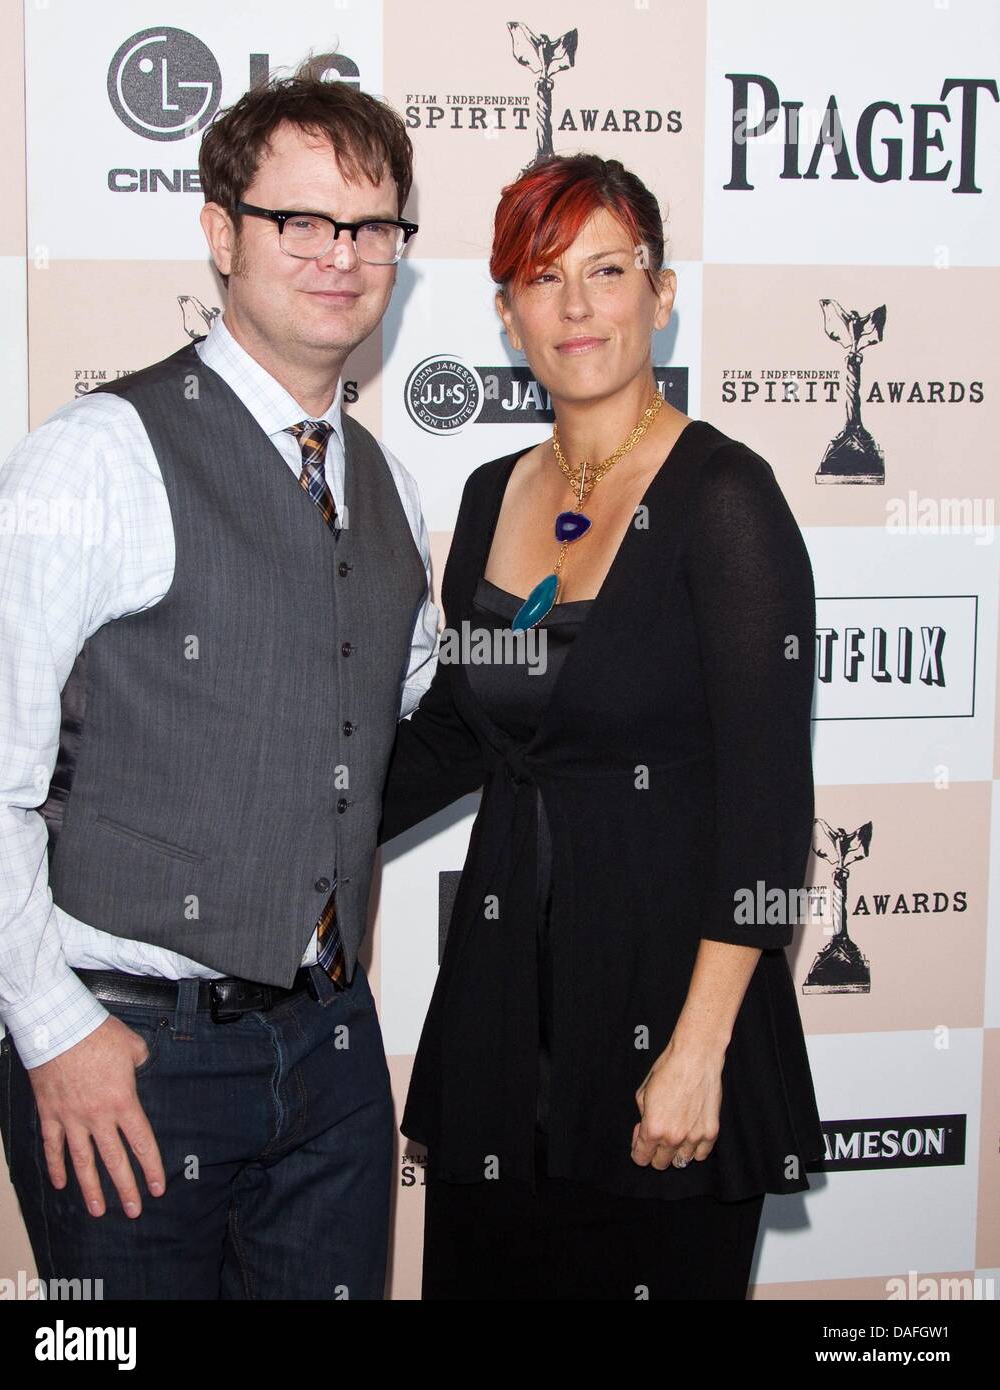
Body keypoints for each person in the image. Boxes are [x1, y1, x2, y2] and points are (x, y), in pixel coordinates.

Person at [0, 56, 438, 1299]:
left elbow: (390, 722)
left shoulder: (389, 485)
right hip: (130, 1054)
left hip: (335, 1052)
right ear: (219, 234)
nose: (340, 253)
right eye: (299, 220)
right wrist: (53, 1027)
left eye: (372, 225)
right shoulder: (93, 458)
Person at [377, 153, 825, 1300]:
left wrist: (696, 1049)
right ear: (506, 312)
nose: (576, 306)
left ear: (660, 296)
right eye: (541, 276)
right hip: (499, 1016)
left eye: (607, 269)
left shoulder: (724, 499)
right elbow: (464, 737)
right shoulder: (489, 492)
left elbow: (769, 815)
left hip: (663, 1015)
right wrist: (276, 811)